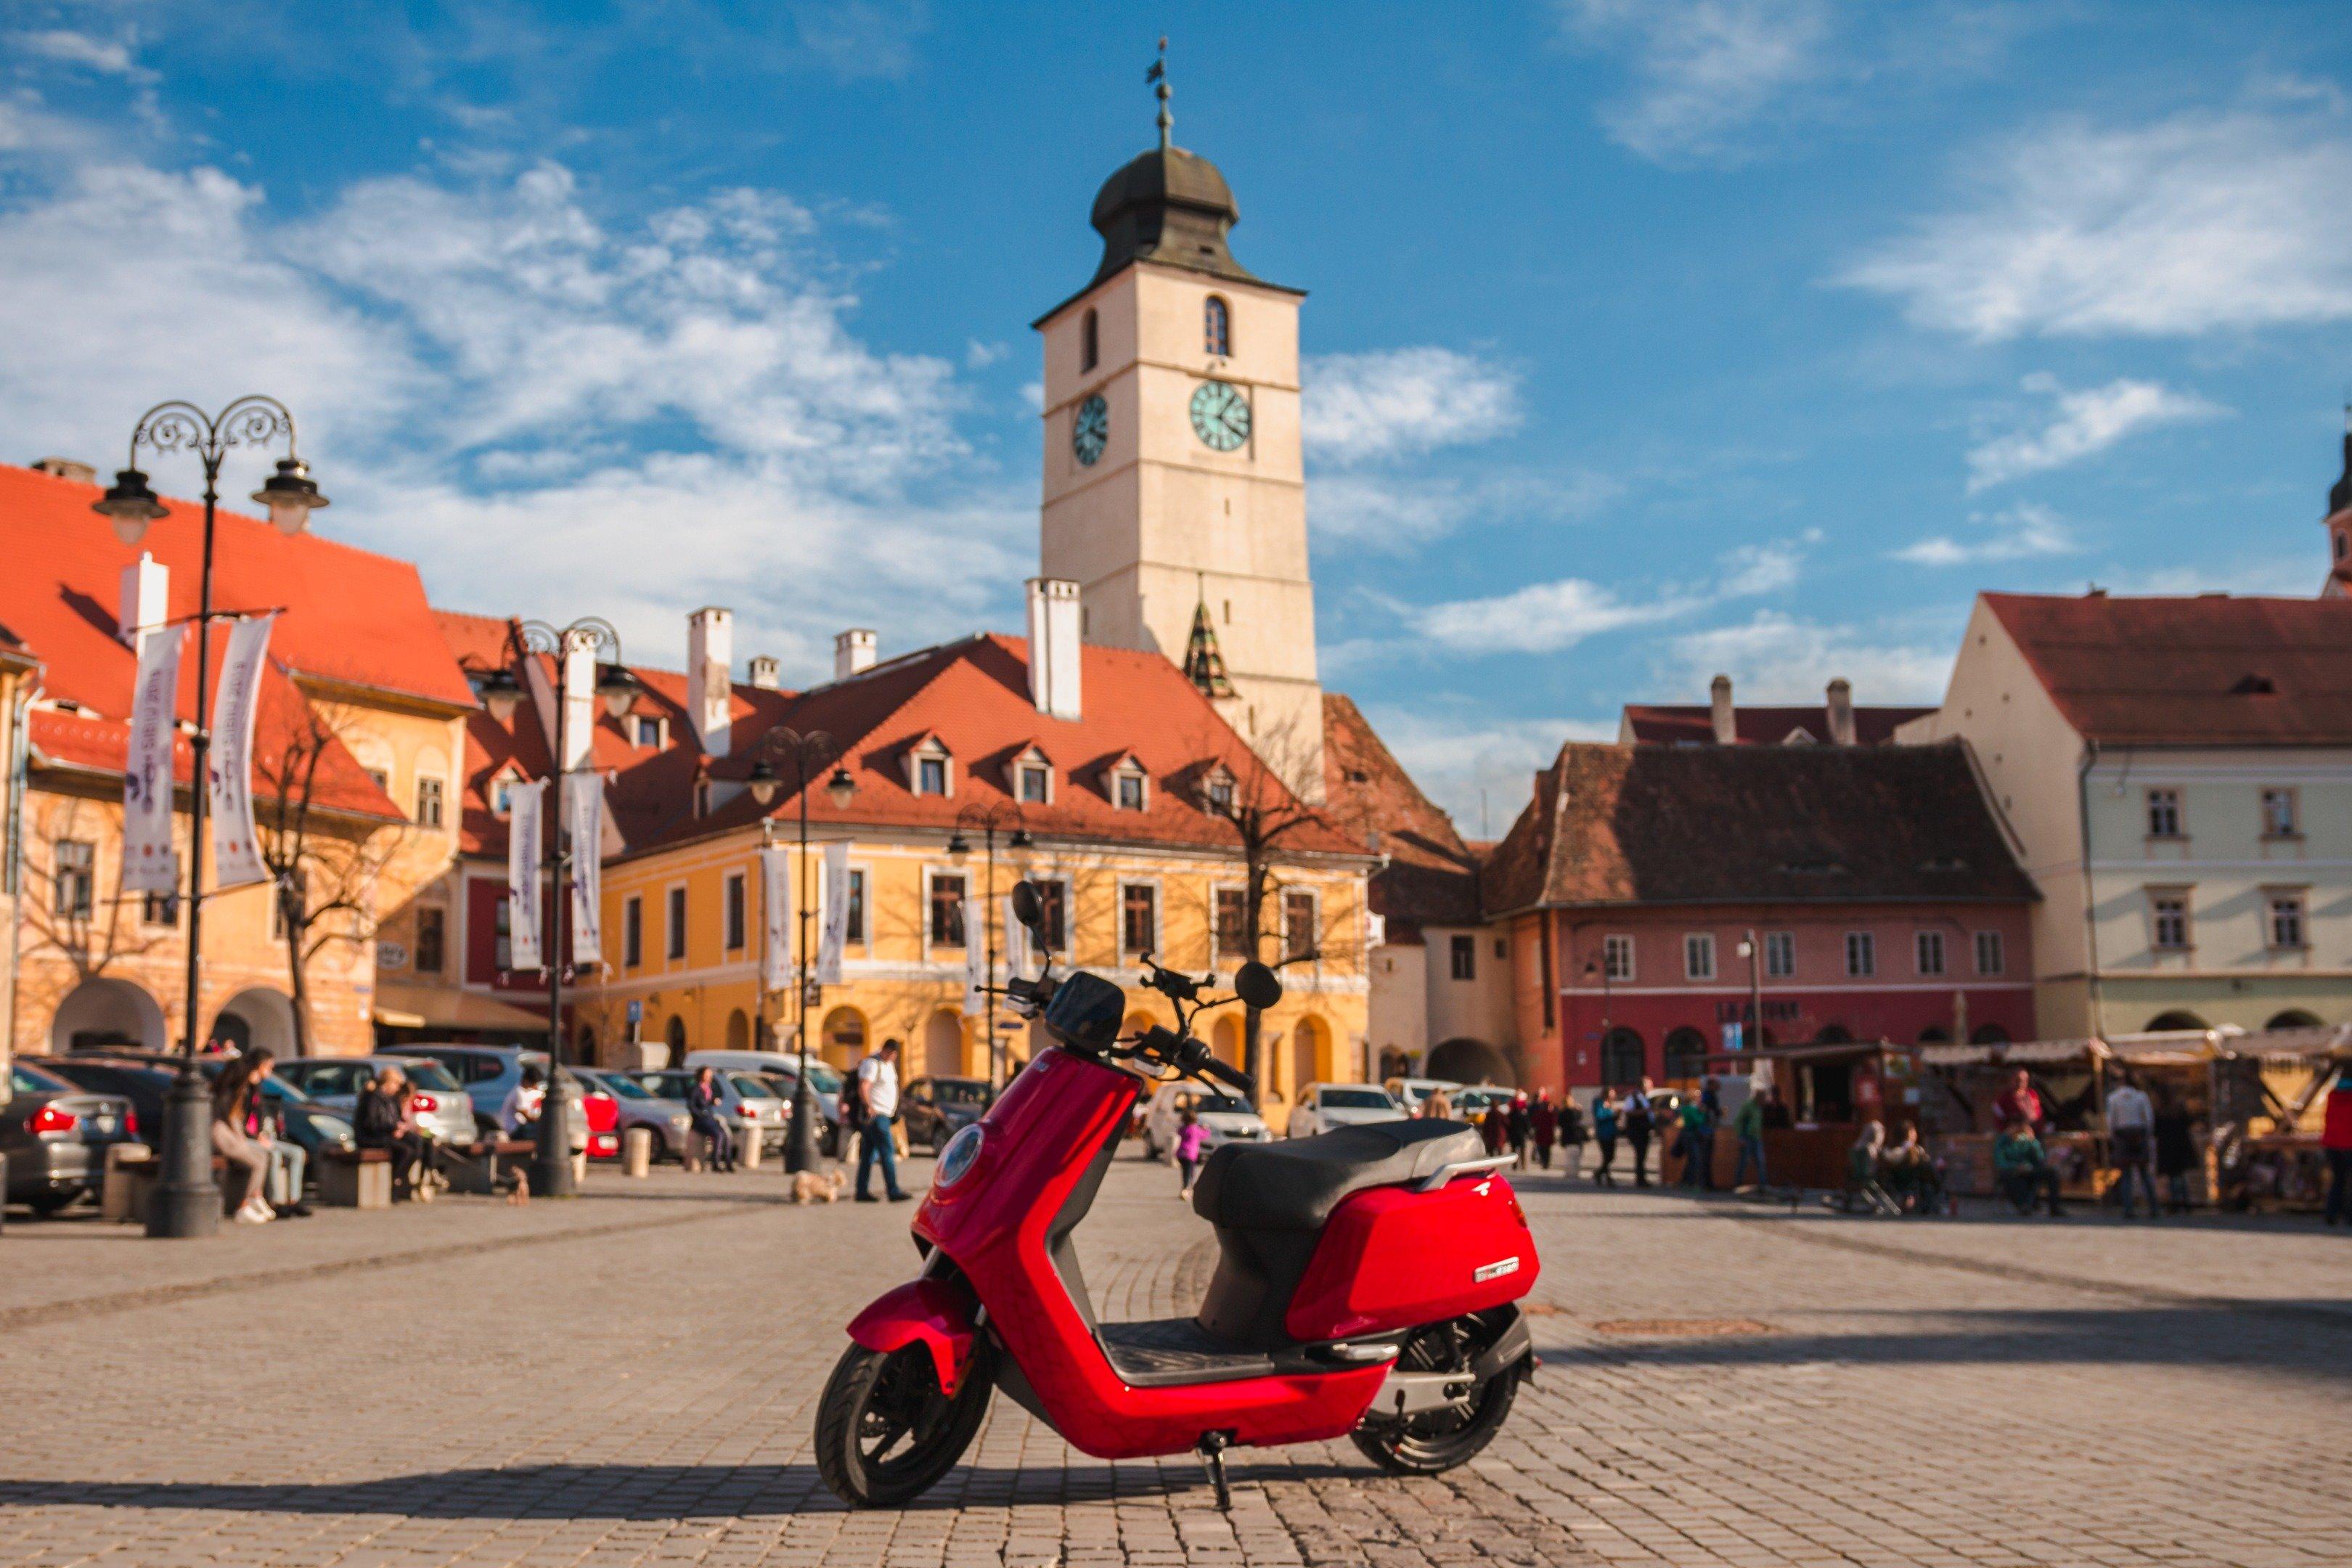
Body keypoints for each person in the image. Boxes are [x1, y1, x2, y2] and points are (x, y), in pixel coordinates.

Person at [234, 1050, 309, 1217]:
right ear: (259, 1065)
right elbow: (238, 1119)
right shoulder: (242, 1088)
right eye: (268, 1066)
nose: (270, 1070)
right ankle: (275, 1202)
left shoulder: (257, 1087)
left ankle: (294, 1200)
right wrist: (255, 1137)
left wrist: (261, 1134)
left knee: (297, 1152)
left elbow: (259, 1116)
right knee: (273, 1154)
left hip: (259, 1137)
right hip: (244, 1139)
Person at [354, 1063, 438, 1200]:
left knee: (419, 1142)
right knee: (406, 1151)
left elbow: (395, 1119)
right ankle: (396, 1181)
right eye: (396, 1084)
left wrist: (400, 1128)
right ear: (388, 1083)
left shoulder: (389, 1099)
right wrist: (394, 1128)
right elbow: (371, 1124)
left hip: (385, 1133)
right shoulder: (373, 1098)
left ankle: (414, 1178)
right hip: (371, 1137)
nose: (398, 1088)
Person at [210, 1052, 276, 1223]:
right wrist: (243, 1140)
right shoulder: (227, 1096)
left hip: (228, 1136)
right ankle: (245, 1205)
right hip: (222, 1136)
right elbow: (231, 1125)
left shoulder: (236, 1093)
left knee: (261, 1158)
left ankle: (255, 1198)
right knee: (259, 1161)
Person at [855, 1037, 909, 1203]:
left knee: (868, 1154)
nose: (894, 1057)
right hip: (877, 1116)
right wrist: (869, 1106)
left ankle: (862, 1191)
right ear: (886, 1050)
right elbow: (864, 1086)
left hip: (885, 1115)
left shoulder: (888, 1065)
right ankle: (893, 1190)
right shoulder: (873, 1064)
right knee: (887, 1152)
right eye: (893, 1054)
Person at [2104, 1071, 2160, 1221]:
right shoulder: (2141, 1096)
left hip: (2122, 1135)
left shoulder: (2113, 1098)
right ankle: (2153, 1207)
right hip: (2139, 1134)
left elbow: (2111, 1120)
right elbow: (2149, 1118)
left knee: (2126, 1175)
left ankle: (2128, 1208)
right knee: (2144, 1174)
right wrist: (2147, 1135)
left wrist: (2113, 1137)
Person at [1993, 1119, 2065, 1217]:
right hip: (2012, 1171)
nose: (2018, 1132)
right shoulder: (2002, 1142)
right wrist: (2016, 1166)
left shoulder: (2026, 1140)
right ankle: (2023, 1206)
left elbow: (2040, 1159)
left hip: (2029, 1170)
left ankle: (2054, 1208)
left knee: (2052, 1173)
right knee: (2009, 1176)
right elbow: (2000, 1163)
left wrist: (2033, 1140)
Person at [2152, 1085, 2198, 1216]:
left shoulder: (2160, 1111)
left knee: (2173, 1177)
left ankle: (2176, 1202)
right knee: (2180, 1176)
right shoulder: (2179, 1109)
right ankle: (2184, 1202)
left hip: (2167, 1147)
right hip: (2181, 1146)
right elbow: (2189, 1123)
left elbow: (2155, 1130)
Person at [1880, 1122, 1940, 1215]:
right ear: (1910, 1133)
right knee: (1931, 1176)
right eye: (1914, 1131)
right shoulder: (1914, 1150)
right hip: (1912, 1182)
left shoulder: (1886, 1151)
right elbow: (1927, 1168)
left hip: (1892, 1183)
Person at [1842, 1119, 1898, 1215]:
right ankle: (1891, 1206)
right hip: (1870, 1177)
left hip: (1857, 1177)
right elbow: (1874, 1165)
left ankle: (1873, 1204)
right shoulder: (1869, 1148)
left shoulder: (1856, 1147)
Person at [686, 1066, 735, 1173]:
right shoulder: (696, 1089)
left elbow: (706, 1103)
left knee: (725, 1135)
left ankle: (728, 1163)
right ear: (701, 1075)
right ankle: (715, 1163)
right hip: (700, 1121)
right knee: (718, 1135)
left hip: (709, 1118)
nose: (709, 1077)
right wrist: (700, 1114)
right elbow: (691, 1106)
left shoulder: (707, 1088)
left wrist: (713, 1101)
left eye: (710, 1075)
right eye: (707, 1074)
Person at [2324, 1063, 2352, 1228]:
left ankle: (2331, 1213)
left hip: (2332, 1145)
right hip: (2349, 1145)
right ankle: (2349, 1216)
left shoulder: (2333, 1096)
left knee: (2338, 1180)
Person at [1731, 1085, 1768, 1191]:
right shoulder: (1748, 1106)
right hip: (1747, 1137)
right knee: (1744, 1161)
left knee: (1760, 1161)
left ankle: (1763, 1185)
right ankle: (1738, 1184)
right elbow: (1738, 1121)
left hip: (1757, 1137)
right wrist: (1740, 1136)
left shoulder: (1759, 1107)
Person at [1676, 1090, 1714, 1191]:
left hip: (1687, 1135)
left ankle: (1686, 1181)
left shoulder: (1686, 1108)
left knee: (1691, 1159)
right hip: (1691, 1135)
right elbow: (1699, 1121)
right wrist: (1703, 1112)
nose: (1700, 1098)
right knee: (1695, 1160)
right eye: (1698, 1096)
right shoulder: (1692, 1108)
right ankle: (1691, 1183)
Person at [1174, 1098, 1209, 1201]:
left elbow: (1179, 1132)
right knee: (1191, 1172)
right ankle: (1188, 1189)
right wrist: (1206, 1129)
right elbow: (1204, 1135)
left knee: (1185, 1171)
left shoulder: (1183, 1128)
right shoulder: (1195, 1129)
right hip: (1190, 1154)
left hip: (1181, 1153)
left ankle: (1185, 1187)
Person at [1622, 1077, 1655, 1188]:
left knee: (1643, 1155)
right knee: (1640, 1154)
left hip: (1645, 1130)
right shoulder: (1633, 1097)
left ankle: (1642, 1178)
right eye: (1649, 1085)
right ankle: (1640, 1179)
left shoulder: (1646, 1098)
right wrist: (1644, 1112)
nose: (1651, 1088)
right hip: (1636, 1131)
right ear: (1642, 1086)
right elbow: (1628, 1112)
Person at [1993, 1068, 2046, 1132]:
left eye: (2025, 1080)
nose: (2021, 1083)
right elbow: (2000, 1119)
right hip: (2014, 1133)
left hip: (2035, 1132)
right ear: (2012, 1080)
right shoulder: (2004, 1098)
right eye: (2018, 1080)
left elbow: (2038, 1114)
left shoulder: (2032, 1094)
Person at [499, 1063, 547, 1137]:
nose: (535, 1086)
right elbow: (528, 1117)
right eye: (534, 1084)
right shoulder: (518, 1092)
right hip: (514, 1129)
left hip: (522, 1126)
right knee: (541, 1130)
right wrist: (543, 1120)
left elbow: (542, 1095)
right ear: (527, 1081)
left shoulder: (528, 1091)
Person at [1591, 1087, 1620, 1188]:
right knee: (1607, 1156)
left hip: (1611, 1132)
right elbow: (1599, 1116)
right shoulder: (1599, 1103)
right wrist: (1612, 1114)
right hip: (1603, 1133)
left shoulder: (1611, 1104)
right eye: (1611, 1093)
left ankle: (1599, 1173)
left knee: (1611, 1157)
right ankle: (1607, 1177)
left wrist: (1617, 1115)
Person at [1530, 1090, 1558, 1172]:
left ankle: (1543, 1162)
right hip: (1548, 1134)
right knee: (1547, 1149)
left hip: (1540, 1134)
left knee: (1542, 1148)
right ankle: (1546, 1163)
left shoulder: (1539, 1114)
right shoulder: (1551, 1114)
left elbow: (1534, 1122)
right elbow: (1554, 1123)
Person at [1505, 1093, 1532, 1169]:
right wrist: (1527, 1133)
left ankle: (1515, 1165)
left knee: (1514, 1151)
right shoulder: (1522, 1115)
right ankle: (1523, 1165)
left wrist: (1508, 1135)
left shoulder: (1510, 1115)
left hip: (1513, 1135)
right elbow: (1526, 1125)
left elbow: (1508, 1126)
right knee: (1522, 1151)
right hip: (1521, 1135)